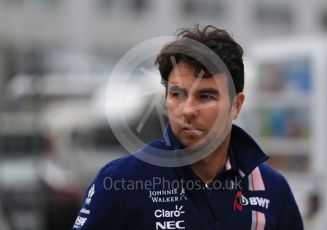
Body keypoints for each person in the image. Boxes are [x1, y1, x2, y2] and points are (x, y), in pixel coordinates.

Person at [72, 25, 304, 230]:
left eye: (205, 96)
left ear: (236, 105)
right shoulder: (119, 182)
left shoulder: (273, 189)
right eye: (177, 94)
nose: (187, 110)